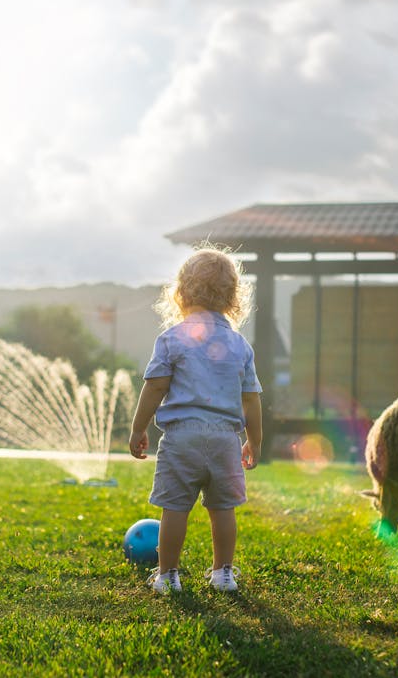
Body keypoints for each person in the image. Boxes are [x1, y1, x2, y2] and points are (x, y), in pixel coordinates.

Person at [129, 246, 263, 593]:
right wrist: (255, 441)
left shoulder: (171, 339)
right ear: (232, 297)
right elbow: (251, 398)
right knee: (223, 509)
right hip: (225, 438)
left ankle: (168, 576)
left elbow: (156, 386)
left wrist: (138, 427)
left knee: (175, 508)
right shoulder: (239, 345)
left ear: (181, 292)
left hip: (182, 437)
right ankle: (223, 574)